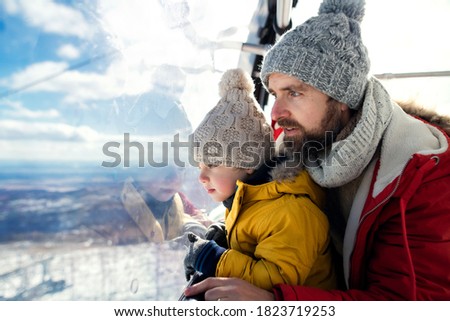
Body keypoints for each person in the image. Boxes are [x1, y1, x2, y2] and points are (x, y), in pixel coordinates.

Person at [184, 0, 450, 300]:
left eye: (294, 92)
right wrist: (227, 235)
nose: (275, 113)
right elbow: (265, 205)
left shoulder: (423, 180)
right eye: (273, 94)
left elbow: (407, 305)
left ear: (342, 97)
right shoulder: (299, 141)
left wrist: (278, 303)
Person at [183, 68, 337, 292]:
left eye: (212, 164)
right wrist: (225, 238)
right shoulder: (246, 197)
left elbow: (277, 282)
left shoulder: (290, 211)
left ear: (248, 163)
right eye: (199, 166)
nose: (202, 177)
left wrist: (216, 259)